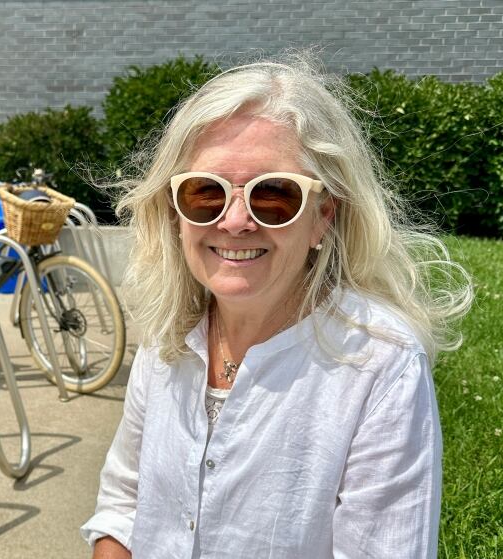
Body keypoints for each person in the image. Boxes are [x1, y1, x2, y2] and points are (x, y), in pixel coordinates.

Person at [80, 55, 472, 558]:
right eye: (206, 193)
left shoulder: (381, 366)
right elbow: (123, 503)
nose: (236, 221)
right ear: (175, 212)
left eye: (273, 196)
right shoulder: (168, 338)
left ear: (323, 216)